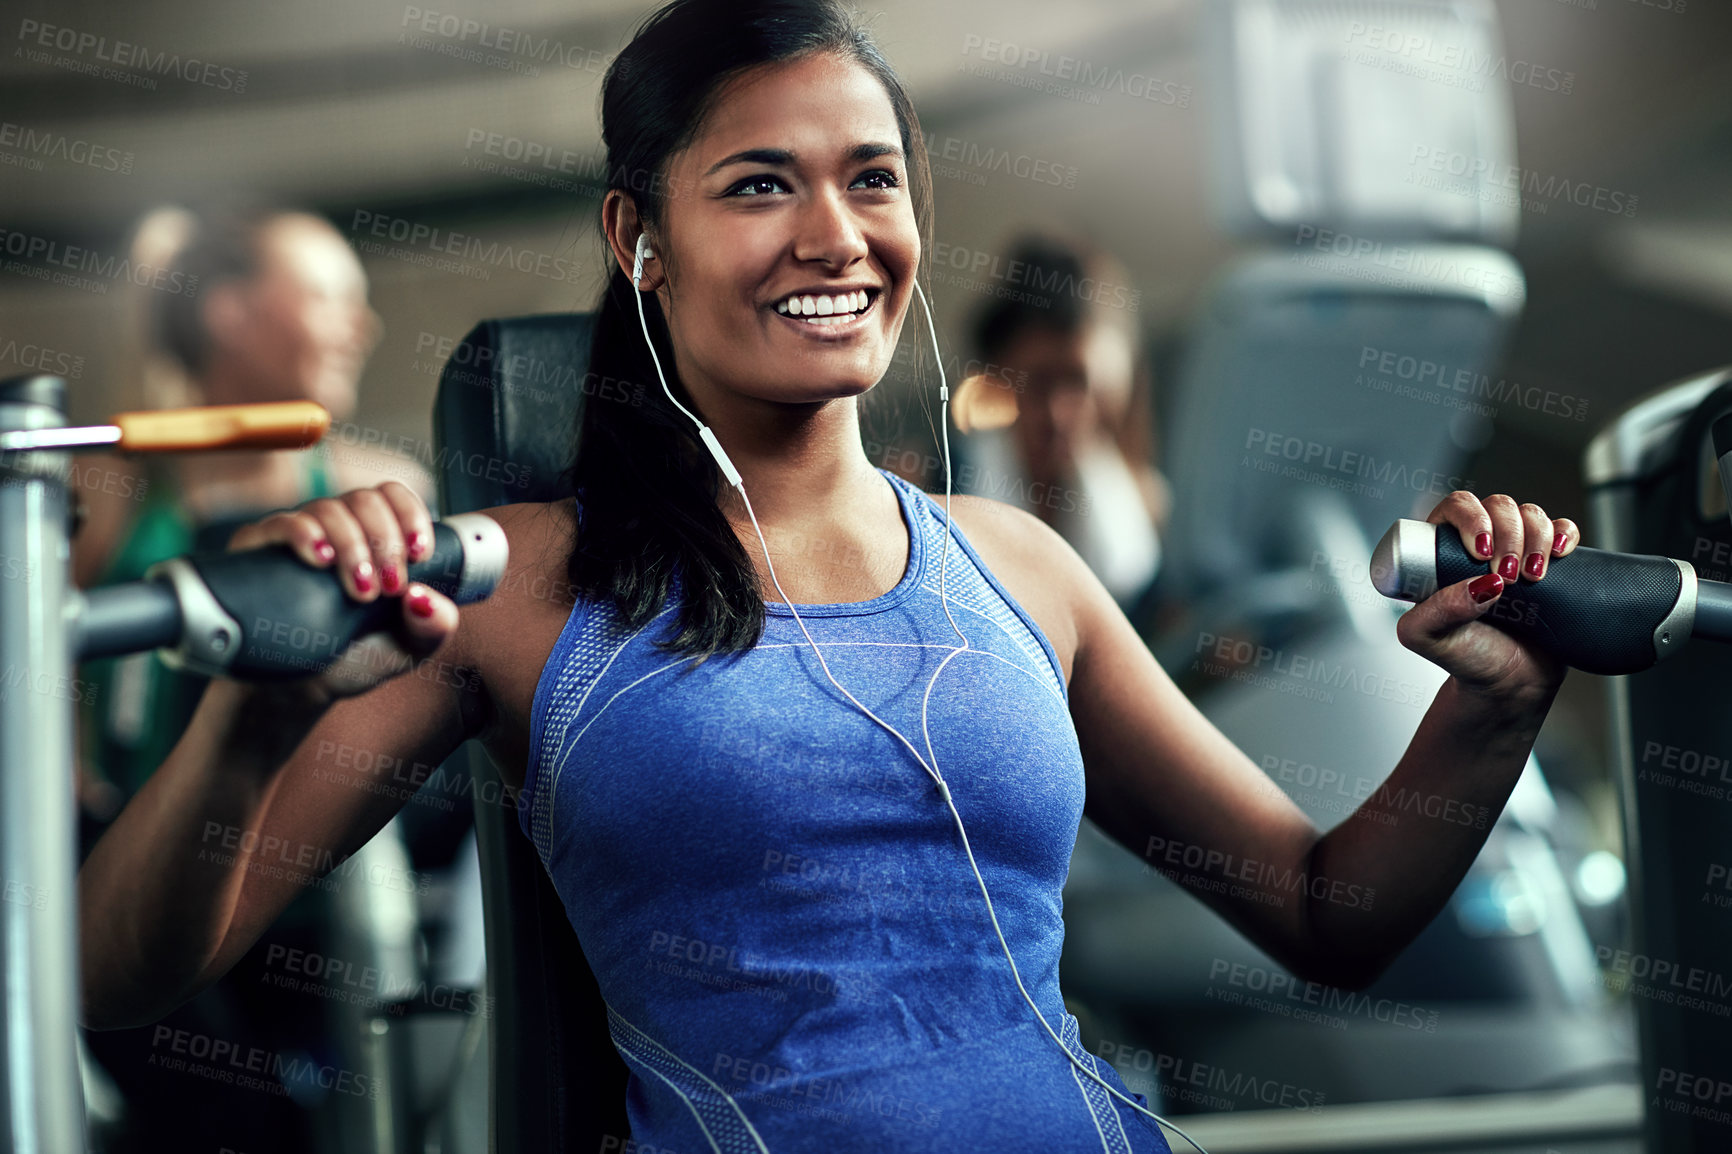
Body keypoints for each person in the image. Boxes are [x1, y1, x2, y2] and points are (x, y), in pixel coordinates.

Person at [77, 2, 1582, 1151]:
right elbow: (119, 976)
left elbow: (1328, 914)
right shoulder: (516, 584)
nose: (834, 235)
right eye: (756, 186)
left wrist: (1491, 710)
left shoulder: (1020, 568)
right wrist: (252, 717)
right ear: (638, 236)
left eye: (873, 178)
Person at [71, 202, 428, 1153]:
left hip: (321, 895)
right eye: (326, 297)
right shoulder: (113, 497)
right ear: (228, 312)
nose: (363, 325)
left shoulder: (377, 487)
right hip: (152, 882)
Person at [954, 232, 1169, 612]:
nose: (1057, 413)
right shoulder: (939, 490)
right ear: (999, 376)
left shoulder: (1143, 506)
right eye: (1037, 382)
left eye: (1077, 382)